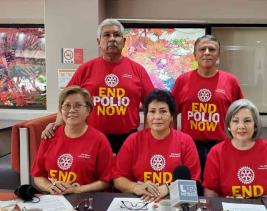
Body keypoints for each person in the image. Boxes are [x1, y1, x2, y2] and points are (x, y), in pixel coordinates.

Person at [42, 18, 154, 153]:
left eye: (116, 35)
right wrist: (58, 124)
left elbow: (152, 104)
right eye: (106, 35)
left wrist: (149, 133)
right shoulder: (85, 69)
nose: (112, 39)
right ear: (98, 42)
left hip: (127, 139)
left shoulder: (138, 70)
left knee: (124, 175)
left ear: (123, 42)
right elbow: (66, 100)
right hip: (90, 137)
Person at [171, 35, 244, 179]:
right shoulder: (182, 80)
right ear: (195, 54)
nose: (207, 52)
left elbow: (240, 114)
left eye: (212, 49)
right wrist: (173, 139)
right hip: (189, 146)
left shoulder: (231, 81)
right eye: (202, 49)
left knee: (217, 186)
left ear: (218, 54)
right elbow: (171, 113)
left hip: (221, 146)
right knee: (192, 186)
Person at [113, 89, 201, 201]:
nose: (157, 117)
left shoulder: (186, 141)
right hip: (141, 201)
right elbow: (118, 179)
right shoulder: (133, 140)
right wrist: (134, 187)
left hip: (173, 202)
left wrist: (169, 188)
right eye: (152, 111)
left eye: (163, 111)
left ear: (171, 116)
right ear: (146, 116)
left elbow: (194, 182)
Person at [31, 86, 113, 194]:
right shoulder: (49, 136)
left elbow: (106, 181)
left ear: (88, 110)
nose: (72, 110)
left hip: (85, 199)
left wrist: (76, 190)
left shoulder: (99, 140)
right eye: (67, 106)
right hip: (53, 199)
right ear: (61, 110)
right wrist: (50, 187)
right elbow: (38, 175)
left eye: (78, 105)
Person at [203, 99, 267, 199]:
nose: (241, 126)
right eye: (235, 121)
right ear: (228, 126)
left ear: (255, 125)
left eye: (247, 121)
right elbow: (210, 192)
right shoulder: (216, 152)